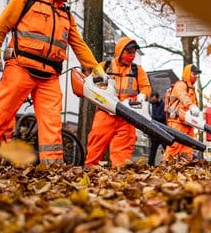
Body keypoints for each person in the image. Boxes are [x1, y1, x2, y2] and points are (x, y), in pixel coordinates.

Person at [0, 0, 107, 165]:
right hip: (20, 67)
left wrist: (96, 68)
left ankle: (53, 168)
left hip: (49, 76)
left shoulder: (66, 15)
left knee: (52, 123)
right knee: (0, 115)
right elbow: (1, 27)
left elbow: (79, 45)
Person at [85, 37, 151, 167]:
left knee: (124, 149)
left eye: (133, 52)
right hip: (105, 111)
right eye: (128, 52)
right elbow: (89, 82)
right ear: (120, 51)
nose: (131, 56)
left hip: (127, 115)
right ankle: (89, 170)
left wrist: (143, 95)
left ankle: (119, 175)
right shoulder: (105, 66)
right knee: (96, 143)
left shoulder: (137, 70)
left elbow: (146, 86)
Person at [164, 64, 201, 161]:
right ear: (188, 73)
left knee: (188, 147)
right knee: (174, 146)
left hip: (188, 122)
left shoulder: (191, 88)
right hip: (177, 122)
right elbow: (183, 96)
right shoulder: (180, 85)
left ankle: (186, 169)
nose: (196, 77)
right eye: (194, 74)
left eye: (197, 74)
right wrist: (191, 105)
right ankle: (164, 167)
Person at [147, 91, 166, 165]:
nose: (153, 101)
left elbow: (162, 117)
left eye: (154, 100)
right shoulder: (151, 105)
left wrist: (153, 118)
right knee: (153, 150)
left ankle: (168, 163)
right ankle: (150, 165)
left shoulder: (163, 105)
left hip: (162, 131)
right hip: (154, 131)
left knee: (166, 149)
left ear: (158, 98)